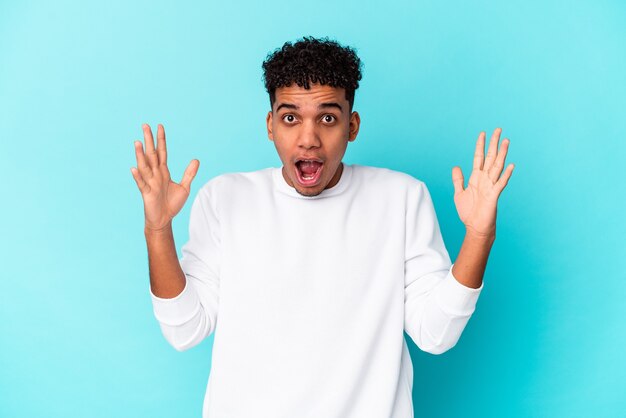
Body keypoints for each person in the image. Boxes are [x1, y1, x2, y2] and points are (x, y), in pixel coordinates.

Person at [130, 36, 514, 418]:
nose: (308, 139)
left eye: (327, 118)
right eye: (290, 118)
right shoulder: (225, 198)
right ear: (270, 125)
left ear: (352, 125)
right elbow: (185, 330)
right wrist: (158, 229)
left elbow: (436, 334)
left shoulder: (401, 198)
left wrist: (479, 238)